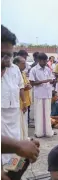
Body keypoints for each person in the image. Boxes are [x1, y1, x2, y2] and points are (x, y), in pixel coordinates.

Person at [2, 25, 26, 162]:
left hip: (12, 113)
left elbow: (20, 86)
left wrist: (23, 102)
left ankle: (10, 175)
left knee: (13, 155)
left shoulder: (15, 69)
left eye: (9, 55)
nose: (5, 58)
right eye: (1, 54)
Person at [29, 52, 55, 138]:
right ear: (39, 60)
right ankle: (39, 132)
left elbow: (52, 78)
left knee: (47, 113)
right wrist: (44, 81)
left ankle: (48, 131)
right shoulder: (34, 70)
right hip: (39, 94)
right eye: (43, 61)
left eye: (46, 61)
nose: (45, 63)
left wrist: (53, 81)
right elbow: (32, 82)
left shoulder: (47, 69)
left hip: (47, 94)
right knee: (39, 113)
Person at [13, 56, 32, 140]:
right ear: (16, 64)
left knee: (24, 121)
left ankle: (24, 137)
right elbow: (14, 88)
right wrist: (24, 87)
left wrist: (28, 86)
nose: (25, 65)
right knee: (19, 121)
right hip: (18, 101)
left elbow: (28, 84)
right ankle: (20, 138)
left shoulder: (23, 73)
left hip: (25, 100)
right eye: (23, 63)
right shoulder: (13, 74)